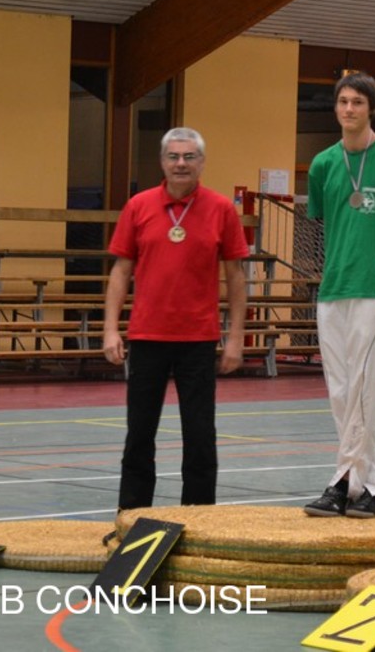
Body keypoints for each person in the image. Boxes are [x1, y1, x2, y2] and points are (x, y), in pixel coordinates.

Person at [103, 127, 248, 510]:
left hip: (198, 339)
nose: (181, 163)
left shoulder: (221, 209)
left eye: (189, 157)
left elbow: (235, 276)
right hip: (147, 337)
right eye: (174, 156)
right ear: (162, 161)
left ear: (202, 162)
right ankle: (131, 516)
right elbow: (120, 271)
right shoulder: (138, 206)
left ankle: (199, 518)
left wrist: (235, 337)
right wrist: (110, 329)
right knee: (139, 434)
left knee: (200, 435)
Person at [304, 71, 375, 519]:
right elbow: (325, 223)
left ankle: (350, 483)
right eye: (343, 101)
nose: (349, 109)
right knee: (341, 391)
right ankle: (366, 487)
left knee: (366, 391)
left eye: (357, 102)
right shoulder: (322, 164)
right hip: (333, 290)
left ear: (372, 109)